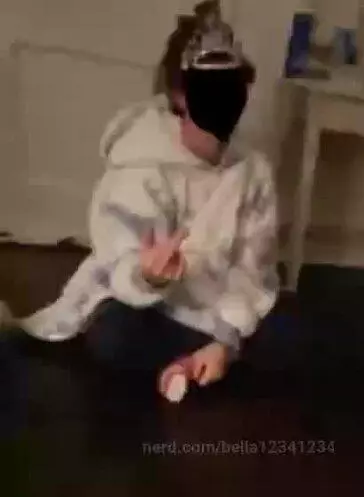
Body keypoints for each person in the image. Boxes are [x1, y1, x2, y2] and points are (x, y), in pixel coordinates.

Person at [2, 5, 281, 395]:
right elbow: (122, 262)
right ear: (180, 95)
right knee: (116, 335)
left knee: (288, 334)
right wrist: (150, 276)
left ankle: (205, 359)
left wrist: (225, 341)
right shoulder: (142, 165)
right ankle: (198, 361)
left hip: (215, 312)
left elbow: (252, 269)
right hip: (150, 309)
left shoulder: (254, 172)